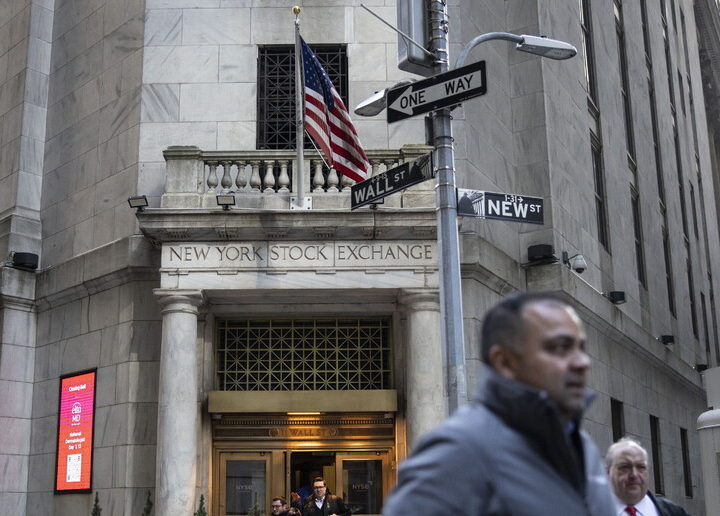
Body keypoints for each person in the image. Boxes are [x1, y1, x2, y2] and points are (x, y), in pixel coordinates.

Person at [382, 291, 615, 515]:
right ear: (504, 362)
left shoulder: (583, 447)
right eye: (561, 347)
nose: (582, 362)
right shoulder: (458, 451)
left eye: (581, 348)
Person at [606, 438, 691, 515]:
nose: (634, 474)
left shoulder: (675, 512)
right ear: (608, 473)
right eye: (625, 467)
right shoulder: (597, 511)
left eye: (641, 467)